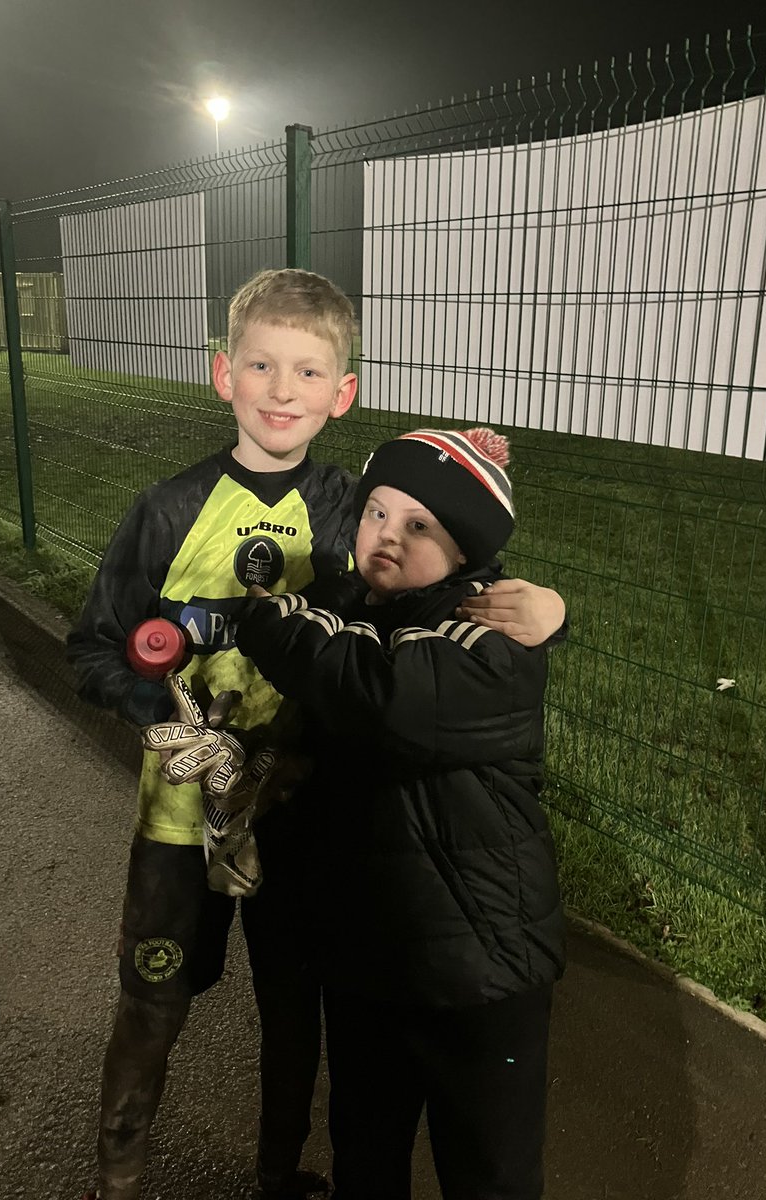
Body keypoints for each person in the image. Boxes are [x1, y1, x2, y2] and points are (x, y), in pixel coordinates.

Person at [67, 269, 566, 1200]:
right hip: (180, 822)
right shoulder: (169, 509)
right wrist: (161, 717)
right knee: (154, 996)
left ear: (342, 393)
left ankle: (279, 1172)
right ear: (224, 374)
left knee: (297, 1010)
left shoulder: (353, 507)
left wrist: (551, 611)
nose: (282, 390)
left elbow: (441, 589)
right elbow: (95, 646)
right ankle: (117, 1175)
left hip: (301, 824)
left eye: (307, 371)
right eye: (261, 365)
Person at [235, 426, 566, 1200]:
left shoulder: (496, 640)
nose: (387, 536)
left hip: (481, 971)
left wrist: (266, 620)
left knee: (489, 1172)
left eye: (420, 526)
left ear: (465, 553)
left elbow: (381, 692)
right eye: (377, 512)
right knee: (365, 1153)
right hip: (372, 959)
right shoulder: (359, 607)